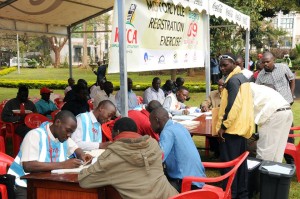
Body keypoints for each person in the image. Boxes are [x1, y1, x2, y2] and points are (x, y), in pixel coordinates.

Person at [78, 117, 178, 199]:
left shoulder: (112, 155)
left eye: (112, 132)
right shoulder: (153, 145)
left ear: (117, 132)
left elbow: (84, 180)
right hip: (172, 196)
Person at [8, 110, 92, 199]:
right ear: (57, 122)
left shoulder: (63, 137)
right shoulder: (34, 135)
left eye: (71, 132)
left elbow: (76, 149)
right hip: (24, 185)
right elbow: (28, 166)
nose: (69, 135)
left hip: (46, 183)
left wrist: (82, 155)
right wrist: (63, 165)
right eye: (68, 130)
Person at [216, 53, 254, 199]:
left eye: (225, 65)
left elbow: (232, 106)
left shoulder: (233, 81)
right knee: (240, 167)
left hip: (231, 131)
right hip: (241, 130)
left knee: (229, 166)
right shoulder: (243, 78)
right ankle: (241, 194)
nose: (222, 68)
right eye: (220, 65)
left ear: (234, 64)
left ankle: (230, 194)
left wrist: (223, 126)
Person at [149, 107, 205, 192]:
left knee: (152, 188)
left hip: (186, 183)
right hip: (198, 178)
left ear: (156, 120)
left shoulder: (167, 132)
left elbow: (158, 158)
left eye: (151, 122)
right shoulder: (178, 126)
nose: (150, 125)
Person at [256, 52, 295, 164]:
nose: (265, 64)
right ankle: (274, 159)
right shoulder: (261, 75)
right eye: (263, 62)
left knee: (287, 134)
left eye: (268, 61)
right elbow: (258, 90)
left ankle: (290, 161)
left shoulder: (283, 67)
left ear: (274, 60)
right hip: (273, 108)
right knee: (273, 134)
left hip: (285, 105)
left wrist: (291, 95)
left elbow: (292, 80)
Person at [249, 83, 293, 162]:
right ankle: (273, 173)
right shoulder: (256, 87)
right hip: (287, 111)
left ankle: (263, 173)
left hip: (274, 113)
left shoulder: (243, 89)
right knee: (277, 151)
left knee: (265, 151)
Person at [200, 79, 224, 158]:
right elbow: (206, 101)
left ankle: (220, 151)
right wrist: (204, 106)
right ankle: (216, 150)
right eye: (218, 85)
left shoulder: (229, 94)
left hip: (224, 120)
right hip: (213, 120)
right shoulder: (213, 93)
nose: (220, 87)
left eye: (222, 85)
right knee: (208, 131)